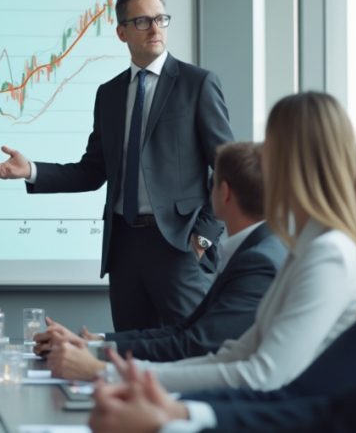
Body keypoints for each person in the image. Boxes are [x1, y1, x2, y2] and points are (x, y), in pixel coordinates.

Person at [89, 0, 356, 433]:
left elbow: (287, 386)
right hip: (130, 255)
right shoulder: (312, 249)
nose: (258, 164)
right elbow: (255, 363)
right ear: (122, 31)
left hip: (179, 257)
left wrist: (169, 408)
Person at [0, 0, 234, 331]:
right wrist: (30, 170)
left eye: (161, 19)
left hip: (179, 246)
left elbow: (228, 166)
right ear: (122, 32)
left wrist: (203, 237)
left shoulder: (197, 83)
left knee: (193, 349)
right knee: (129, 355)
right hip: (124, 247)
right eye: (143, 21)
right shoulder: (109, 94)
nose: (155, 28)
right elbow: (93, 171)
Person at [102, 92, 356, 394]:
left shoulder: (328, 255)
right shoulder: (302, 247)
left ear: (294, 161)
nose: (261, 159)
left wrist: (115, 374)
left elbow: (260, 375)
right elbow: (236, 354)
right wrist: (118, 372)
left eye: (270, 146)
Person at [37, 142, 286, 377]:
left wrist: (97, 361)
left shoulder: (257, 262)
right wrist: (94, 342)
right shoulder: (255, 251)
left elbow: (195, 345)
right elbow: (184, 331)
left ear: (224, 192)